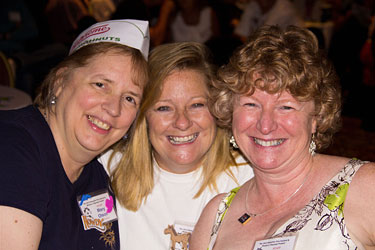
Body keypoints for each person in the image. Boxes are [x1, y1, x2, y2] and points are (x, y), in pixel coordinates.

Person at [189, 25, 375, 250]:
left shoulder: (363, 188)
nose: (265, 125)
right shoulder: (216, 216)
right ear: (230, 112)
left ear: (316, 117)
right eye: (251, 104)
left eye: (285, 107)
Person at [0, 19, 149, 250]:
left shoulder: (95, 176)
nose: (114, 108)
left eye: (130, 98)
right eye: (100, 84)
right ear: (60, 82)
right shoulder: (14, 148)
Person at [99, 41, 254, 250]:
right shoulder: (108, 168)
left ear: (217, 108)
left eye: (197, 105)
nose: (182, 122)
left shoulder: (249, 177)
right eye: (164, 108)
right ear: (143, 116)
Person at [234, 0, 304, 43]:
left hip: (295, 50)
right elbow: (240, 35)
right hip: (270, 49)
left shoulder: (284, 9)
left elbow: (264, 38)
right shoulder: (253, 4)